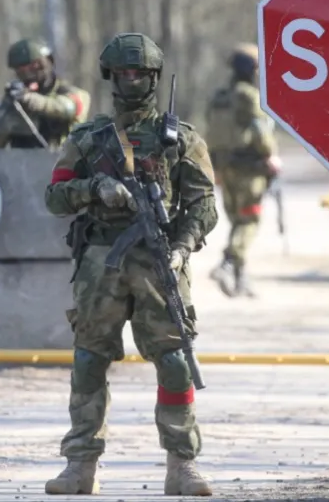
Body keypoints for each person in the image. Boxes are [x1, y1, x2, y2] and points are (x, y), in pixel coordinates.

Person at [42, 32, 218, 496]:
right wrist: (93, 188)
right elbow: (54, 197)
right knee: (88, 361)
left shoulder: (181, 140)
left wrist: (182, 246)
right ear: (111, 77)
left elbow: (204, 206)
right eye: (123, 73)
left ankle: (182, 464)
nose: (132, 80)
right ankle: (80, 465)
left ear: (155, 77)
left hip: (161, 260)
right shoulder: (86, 139)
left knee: (176, 362)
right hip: (102, 262)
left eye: (139, 73)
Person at [202, 43, 281, 298]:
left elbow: (210, 131)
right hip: (249, 170)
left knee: (237, 221)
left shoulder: (218, 96)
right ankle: (227, 263)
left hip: (224, 168)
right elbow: (260, 130)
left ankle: (240, 278)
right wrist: (271, 156)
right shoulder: (248, 96)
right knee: (249, 221)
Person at [0, 38, 91, 149]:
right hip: (24, 164)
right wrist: (8, 115)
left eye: (36, 66)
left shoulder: (71, 93)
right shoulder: (14, 103)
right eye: (21, 71)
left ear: (49, 62)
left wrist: (33, 101)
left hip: (64, 162)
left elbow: (67, 107)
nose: (29, 74)